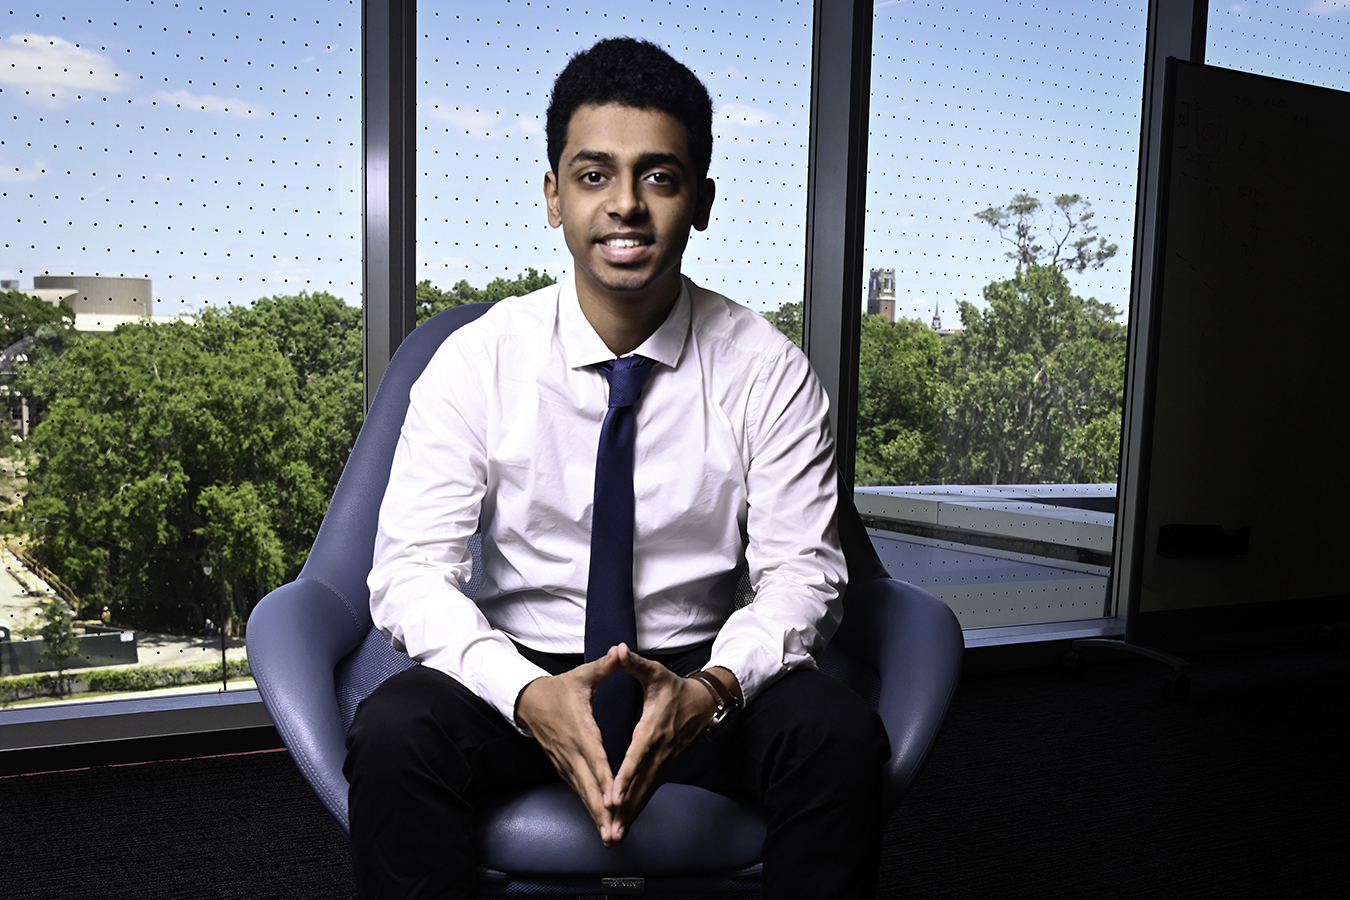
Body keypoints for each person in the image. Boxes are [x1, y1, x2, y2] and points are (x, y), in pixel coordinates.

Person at [344, 37, 890, 899]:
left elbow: (803, 574)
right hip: (525, 663)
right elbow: (410, 573)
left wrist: (711, 691)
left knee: (837, 736)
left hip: (699, 665)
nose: (626, 205)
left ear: (699, 201)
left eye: (659, 177)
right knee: (396, 734)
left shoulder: (767, 366)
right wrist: (524, 692)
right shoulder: (474, 360)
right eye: (594, 175)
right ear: (553, 197)